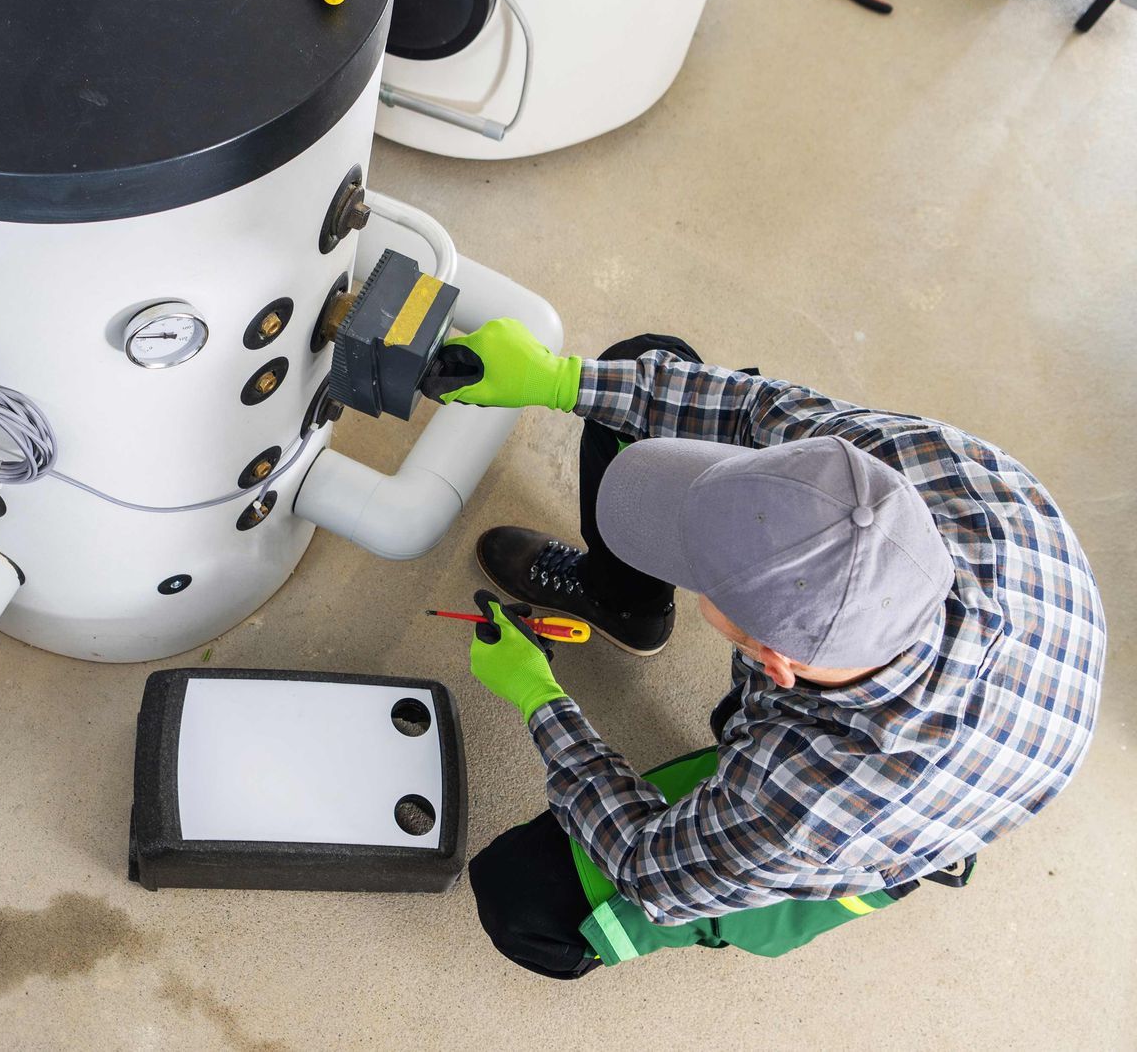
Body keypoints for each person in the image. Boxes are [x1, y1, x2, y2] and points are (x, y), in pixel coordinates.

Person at [421, 323, 1105, 977]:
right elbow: (761, 410)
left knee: (523, 903)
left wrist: (538, 696)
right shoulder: (929, 478)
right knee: (645, 370)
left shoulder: (805, 804)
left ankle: (791, 900)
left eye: (700, 575)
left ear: (775, 665)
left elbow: (647, 864)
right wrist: (560, 379)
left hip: (896, 814)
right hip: (998, 672)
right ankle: (620, 601)